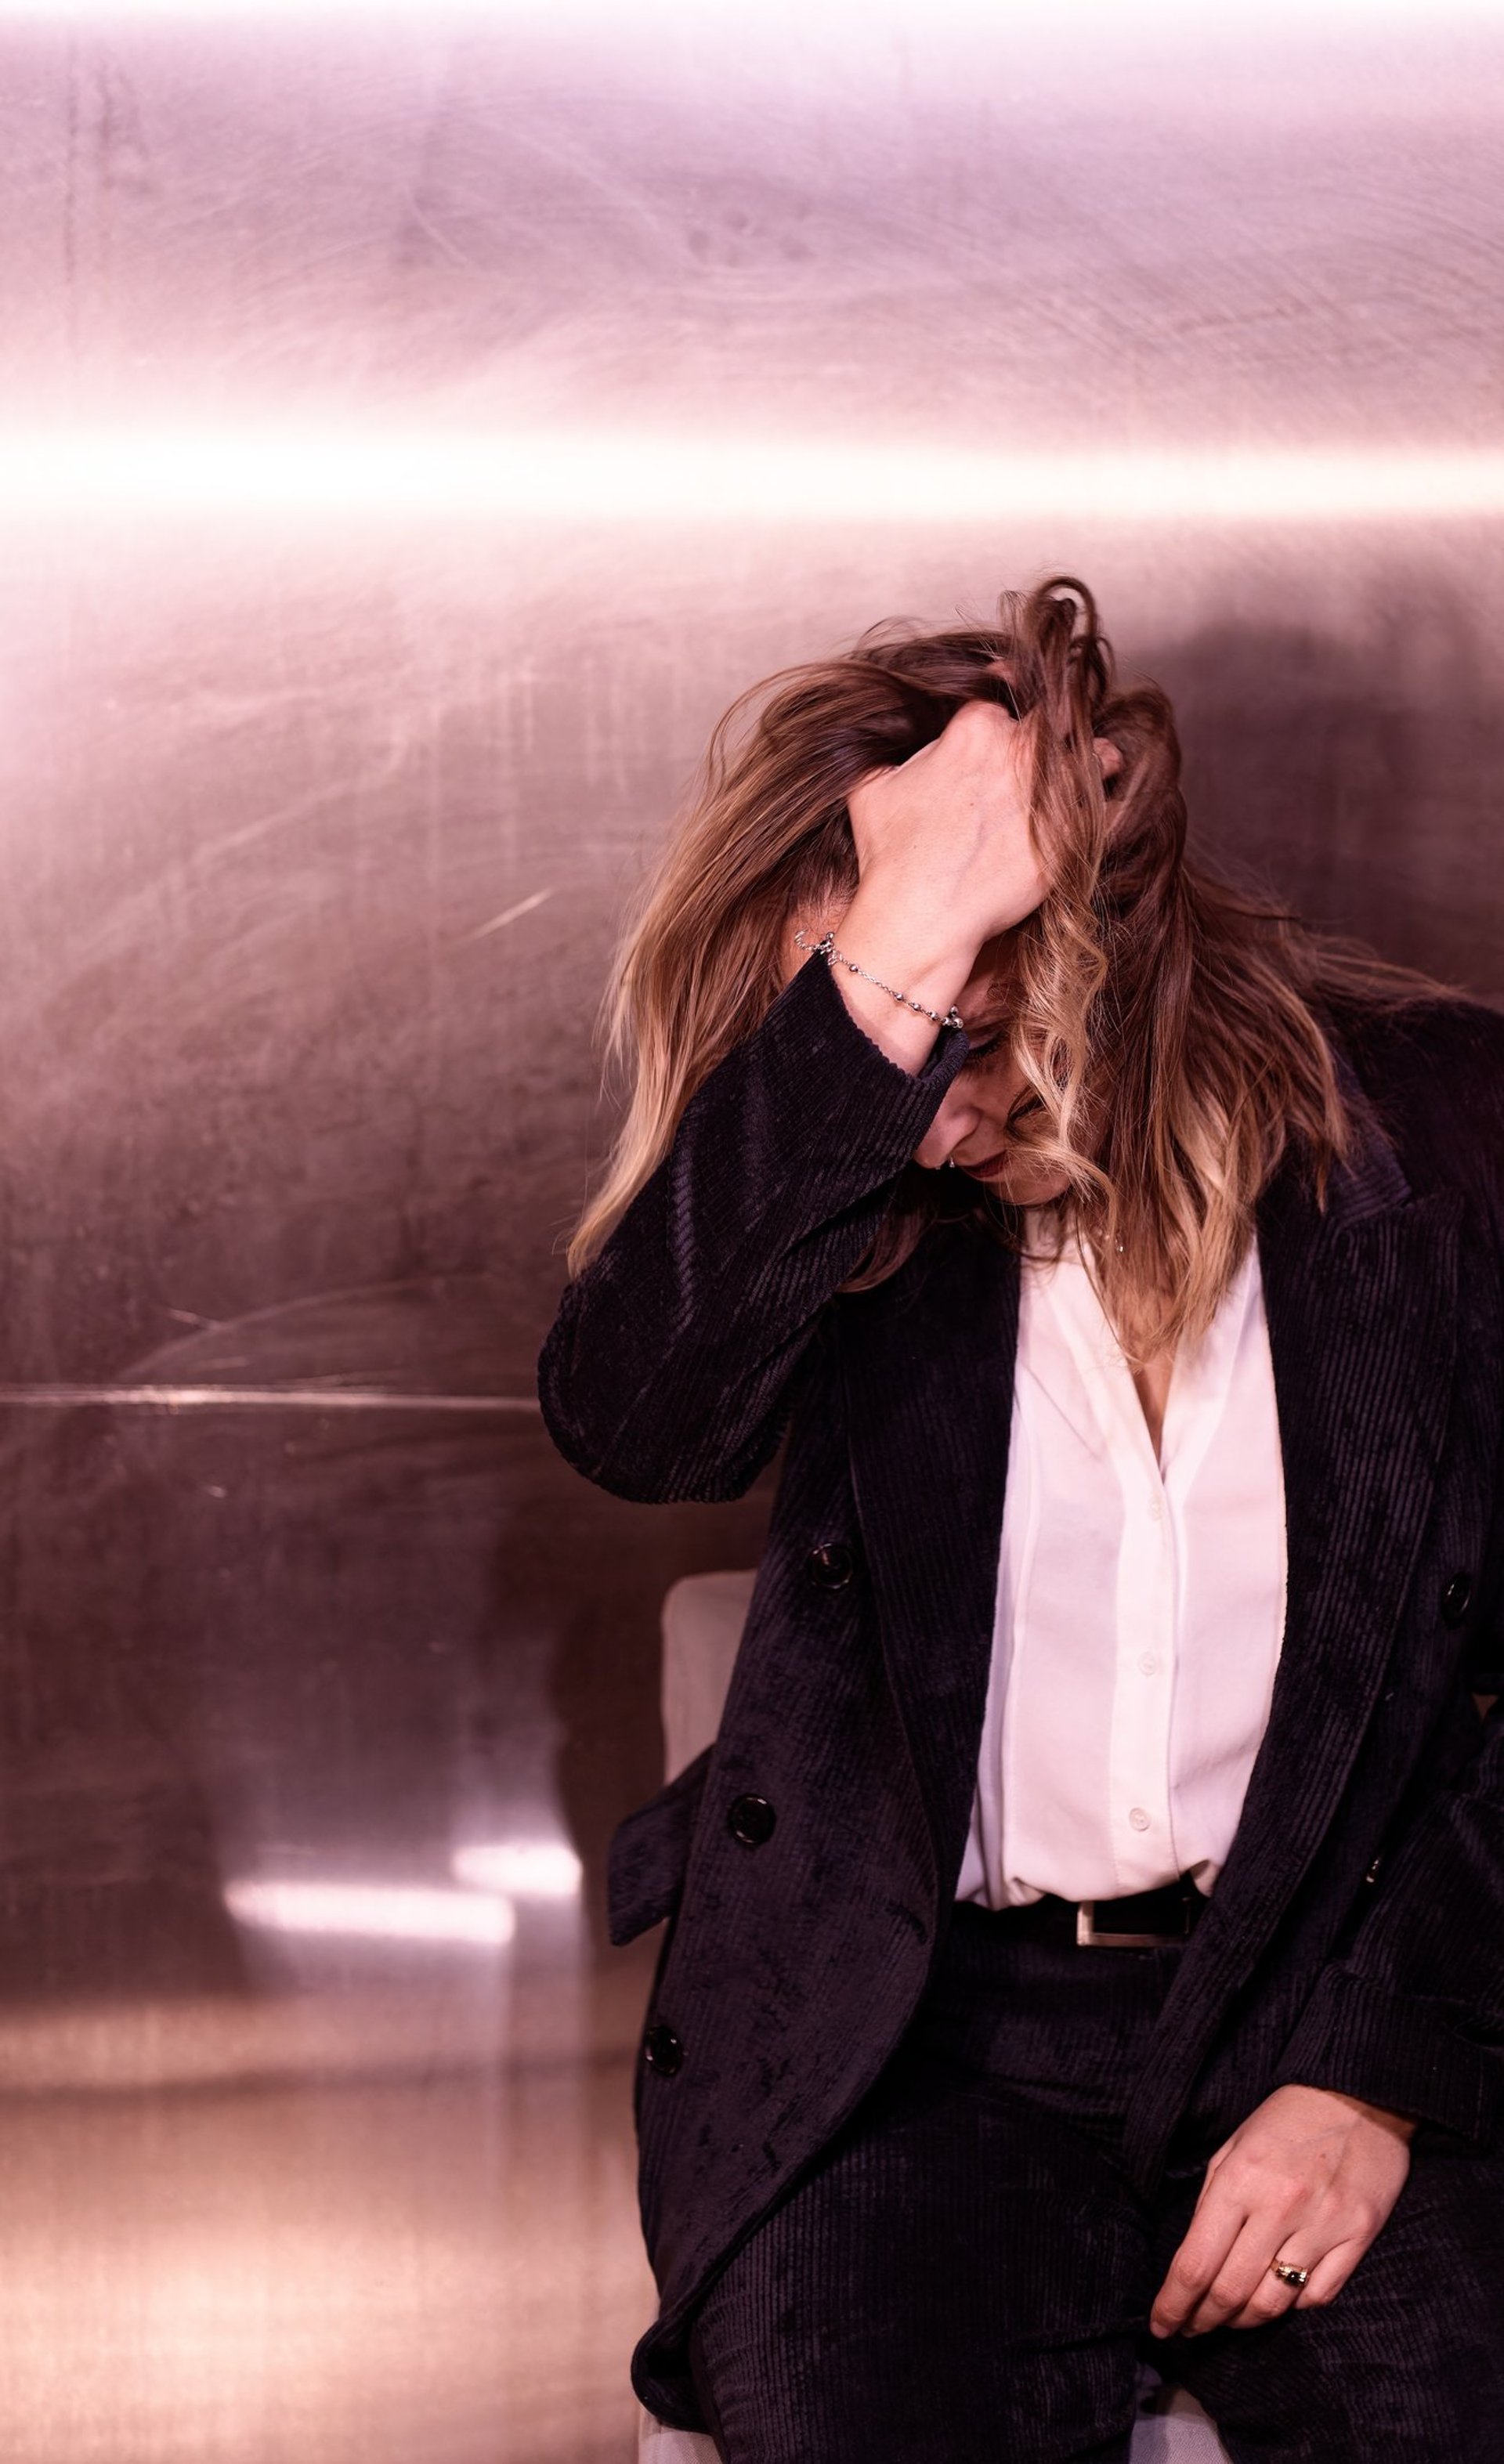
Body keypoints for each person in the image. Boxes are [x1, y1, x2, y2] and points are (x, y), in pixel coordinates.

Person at [537, 578, 1504, 2462]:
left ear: (1103, 944)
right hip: (910, 2045)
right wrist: (891, 967)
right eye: (867, 1017)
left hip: (1332, 1983)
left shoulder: (1450, 1135)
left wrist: (1379, 2075)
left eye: (962, 1014)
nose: (912, 1103)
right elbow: (630, 1419)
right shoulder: (851, 1193)